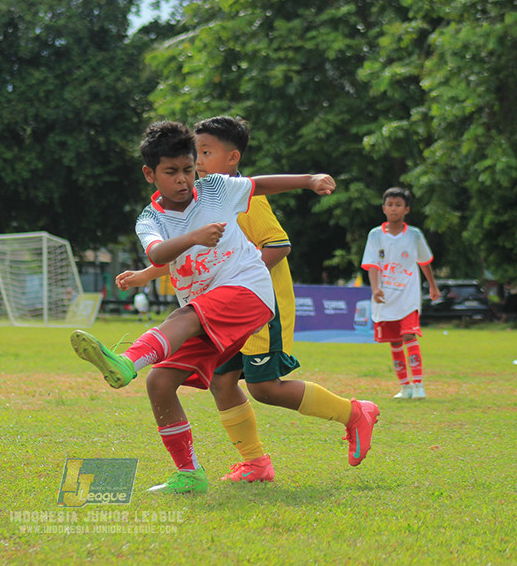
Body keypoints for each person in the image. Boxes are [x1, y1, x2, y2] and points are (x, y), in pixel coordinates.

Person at [70, 121, 378, 494]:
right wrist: (151, 270)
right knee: (163, 382)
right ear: (150, 174)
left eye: (190, 167)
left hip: (249, 294)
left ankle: (127, 361)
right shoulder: (150, 219)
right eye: (173, 171)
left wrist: (309, 180)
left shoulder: (217, 189)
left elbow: (261, 188)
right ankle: (191, 473)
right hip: (207, 313)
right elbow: (160, 252)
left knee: (230, 357)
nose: (184, 178)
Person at [361, 186, 440, 399]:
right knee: (395, 341)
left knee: (408, 335)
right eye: (390, 205)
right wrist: (375, 288)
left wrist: (433, 286)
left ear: (406, 209)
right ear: (384, 208)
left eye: (398, 205)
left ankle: (419, 385)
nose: (394, 208)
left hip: (408, 296)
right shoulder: (375, 235)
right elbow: (372, 264)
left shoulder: (414, 235)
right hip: (386, 297)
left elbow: (424, 261)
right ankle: (405, 387)